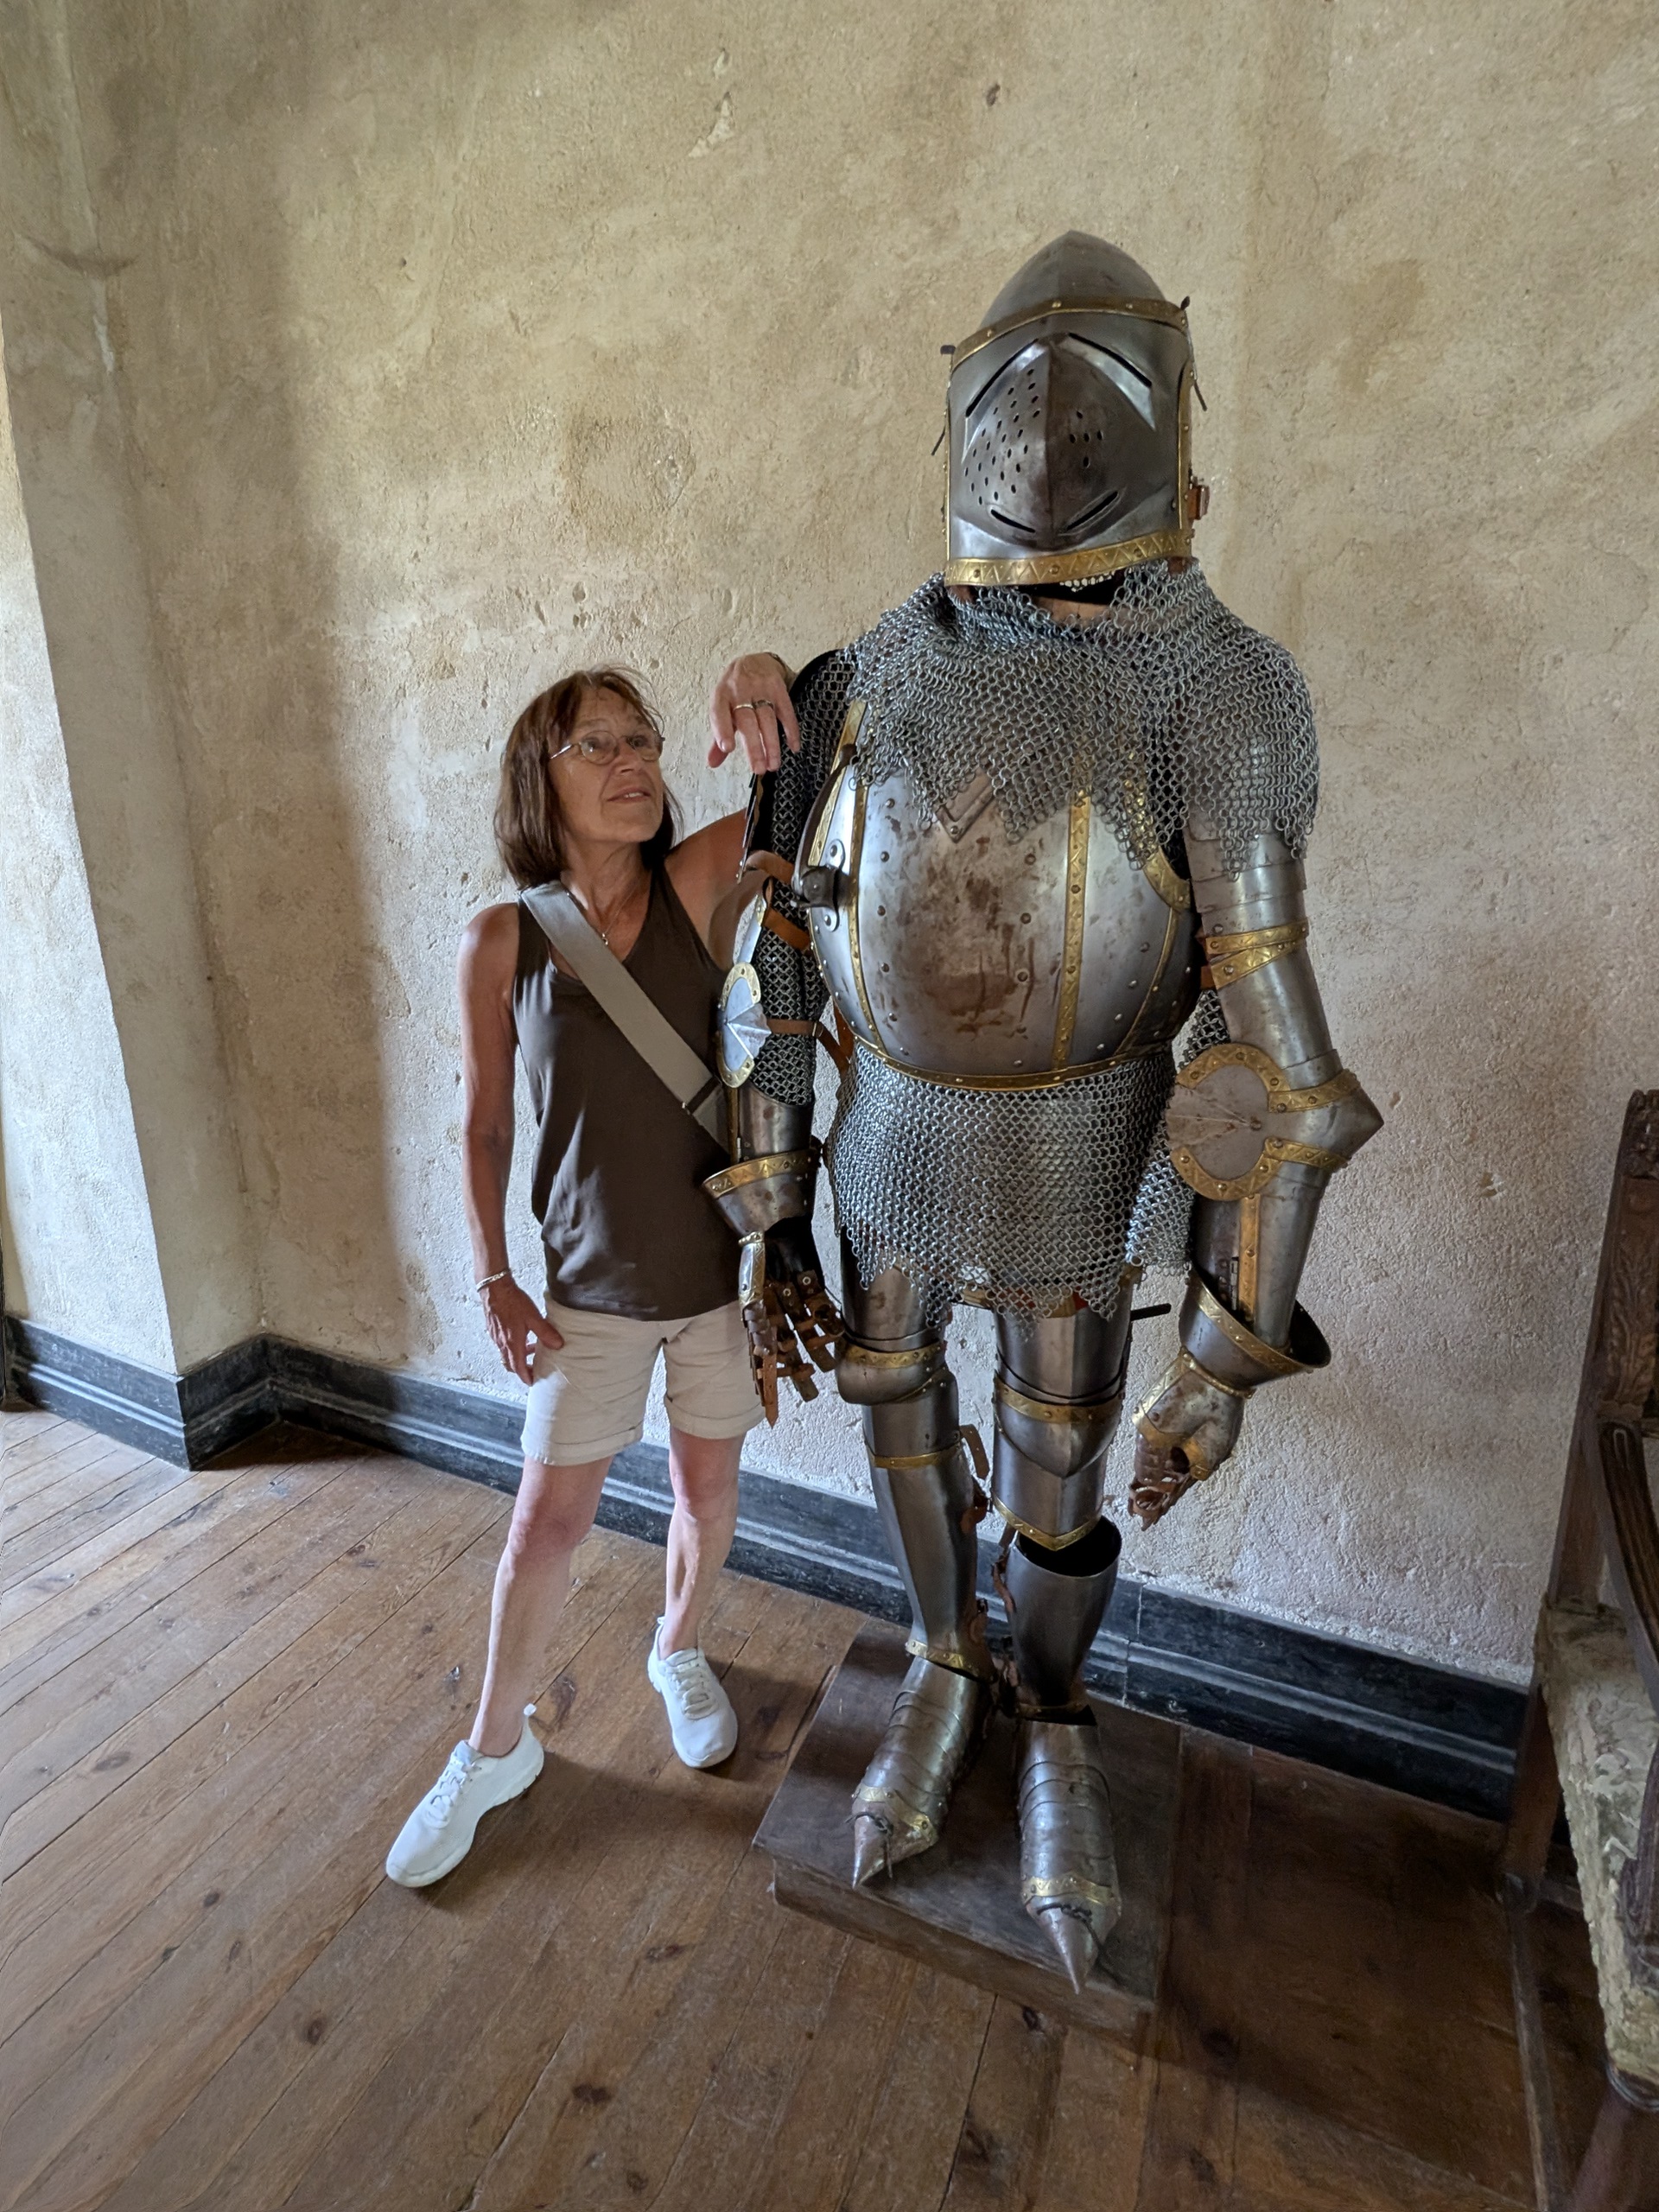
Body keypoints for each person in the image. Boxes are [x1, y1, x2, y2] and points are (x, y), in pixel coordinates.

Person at [699, 232, 1381, 1989]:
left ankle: (1055, 1712)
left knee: (1057, 1458)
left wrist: (1218, 1366)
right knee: (893, 1400)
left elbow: (1278, 1069)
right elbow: (784, 943)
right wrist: (774, 1191)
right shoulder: (867, 668)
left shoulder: (1214, 687)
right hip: (886, 1146)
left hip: (1084, 1145)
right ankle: (943, 1663)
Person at [386, 668, 758, 1888]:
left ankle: (677, 1648)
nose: (632, 761)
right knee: (544, 1526)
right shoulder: (504, 940)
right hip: (586, 1291)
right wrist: (492, 1274)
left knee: (706, 1491)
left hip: (716, 1276)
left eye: (643, 740)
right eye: (596, 744)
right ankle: (495, 1750)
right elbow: (486, 1126)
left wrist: (761, 678)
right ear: (537, 779)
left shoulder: (698, 884)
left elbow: (816, 775)